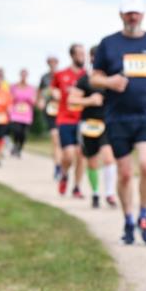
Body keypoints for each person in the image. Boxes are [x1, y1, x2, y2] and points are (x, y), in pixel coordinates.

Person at [90, 0, 146, 245]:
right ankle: (128, 219)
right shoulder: (109, 43)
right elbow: (94, 77)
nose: (132, 17)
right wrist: (109, 81)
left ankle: (144, 214)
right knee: (124, 173)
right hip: (118, 116)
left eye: (136, 12)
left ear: (143, 15)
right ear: (121, 15)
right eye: (128, 13)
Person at [70, 46, 119, 210]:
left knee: (108, 157)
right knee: (92, 162)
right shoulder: (85, 80)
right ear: (91, 59)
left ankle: (110, 194)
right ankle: (96, 193)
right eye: (94, 57)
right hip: (89, 124)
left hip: (107, 123)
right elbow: (72, 100)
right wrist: (89, 101)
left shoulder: (112, 79)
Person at [53, 44, 88, 198]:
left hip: (83, 120)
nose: (82, 57)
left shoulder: (88, 75)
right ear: (72, 56)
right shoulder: (61, 74)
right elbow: (53, 89)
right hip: (65, 118)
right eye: (79, 54)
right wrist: (55, 94)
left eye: (84, 54)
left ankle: (77, 187)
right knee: (68, 154)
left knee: (81, 155)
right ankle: (64, 174)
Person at [39, 55, 64, 180]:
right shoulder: (44, 78)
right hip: (50, 111)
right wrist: (41, 100)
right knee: (55, 139)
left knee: (62, 142)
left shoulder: (62, 75)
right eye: (50, 63)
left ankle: (63, 164)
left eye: (54, 62)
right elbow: (41, 92)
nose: (52, 64)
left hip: (62, 111)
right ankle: (57, 166)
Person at [9, 69, 37, 157]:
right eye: (22, 75)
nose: (23, 77)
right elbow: (10, 99)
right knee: (17, 131)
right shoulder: (14, 86)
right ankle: (15, 144)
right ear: (20, 75)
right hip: (16, 112)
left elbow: (34, 101)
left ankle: (19, 148)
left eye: (25, 75)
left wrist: (32, 100)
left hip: (26, 114)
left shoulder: (31, 88)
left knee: (23, 134)